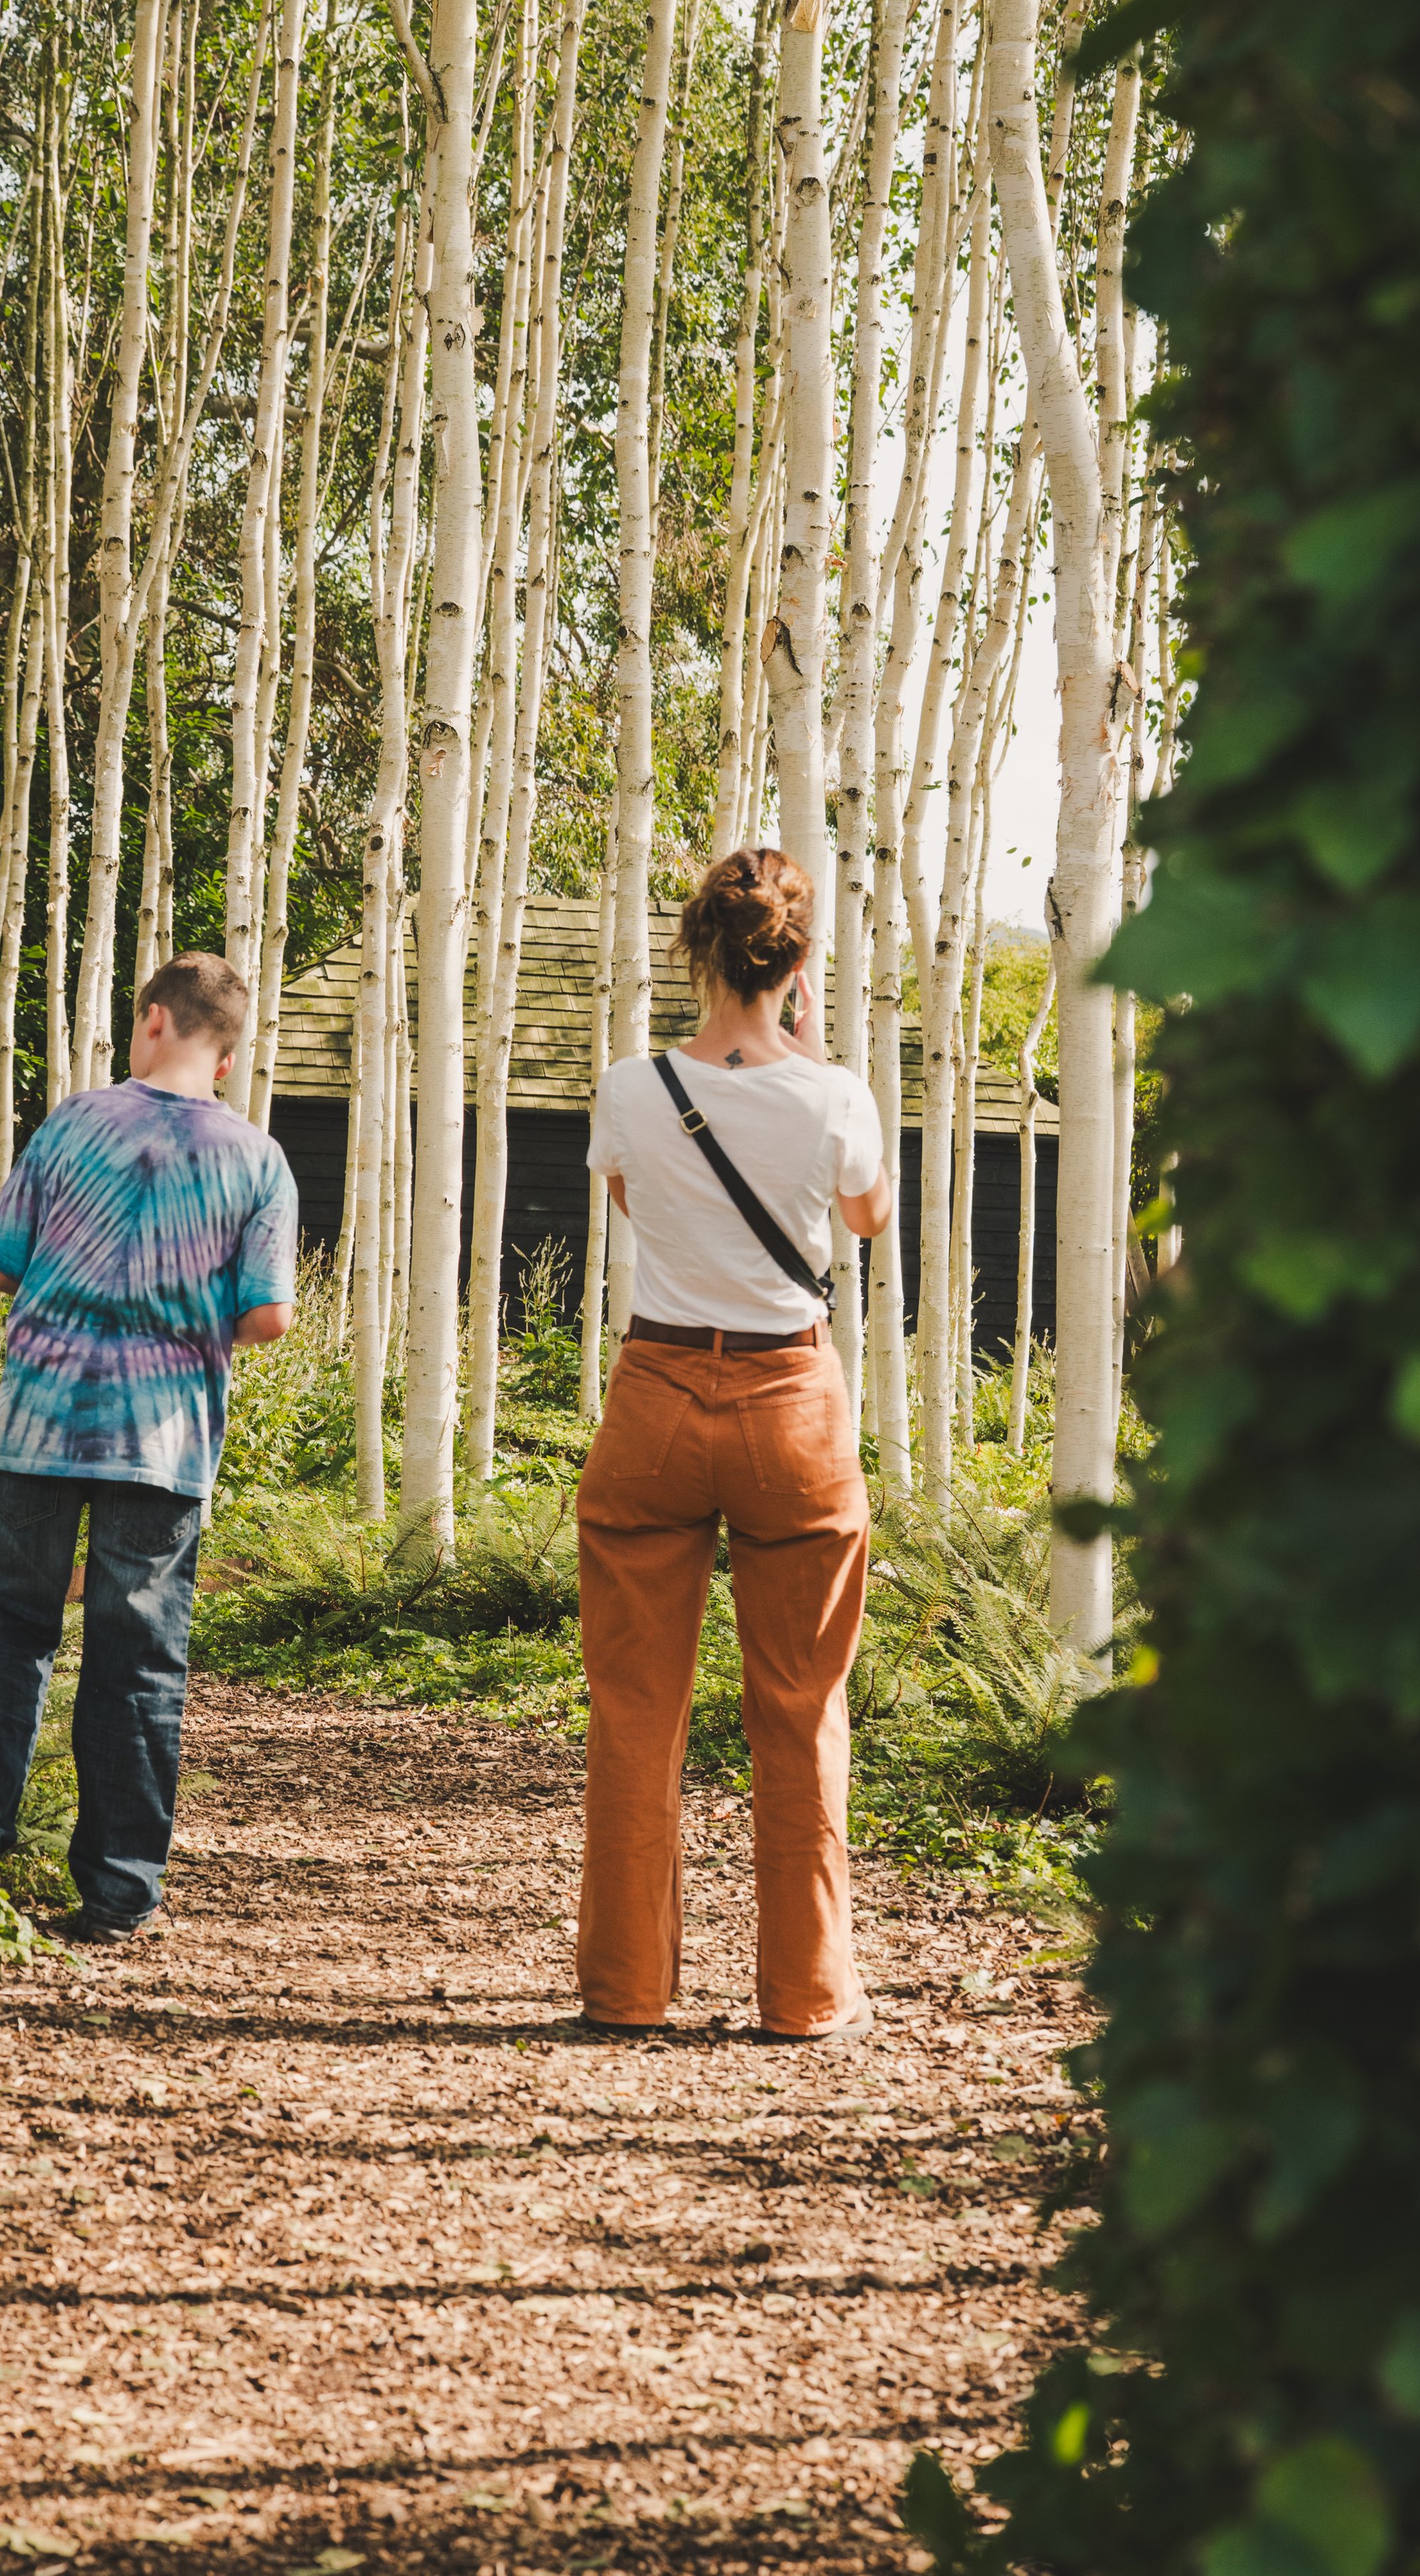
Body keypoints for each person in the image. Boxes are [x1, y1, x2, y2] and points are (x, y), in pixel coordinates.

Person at [578, 847, 893, 2044]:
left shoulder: (630, 1084)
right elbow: (862, 1217)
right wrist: (804, 1062)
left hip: (657, 1390)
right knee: (802, 1706)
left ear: (699, 952)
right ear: (798, 964)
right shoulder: (837, 1096)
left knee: (635, 1707)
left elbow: (627, 1201)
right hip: (790, 1405)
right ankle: (808, 1995)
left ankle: (626, 1990)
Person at [0, 952, 298, 1944]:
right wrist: (186, 1316)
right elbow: (269, 1314)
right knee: (138, 1660)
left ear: (151, 1022)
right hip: (165, 1439)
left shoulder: (72, 1124)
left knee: (6, 1631)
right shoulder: (258, 1159)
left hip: (42, 1426)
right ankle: (120, 1889)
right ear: (223, 1054)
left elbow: (4, 1263)